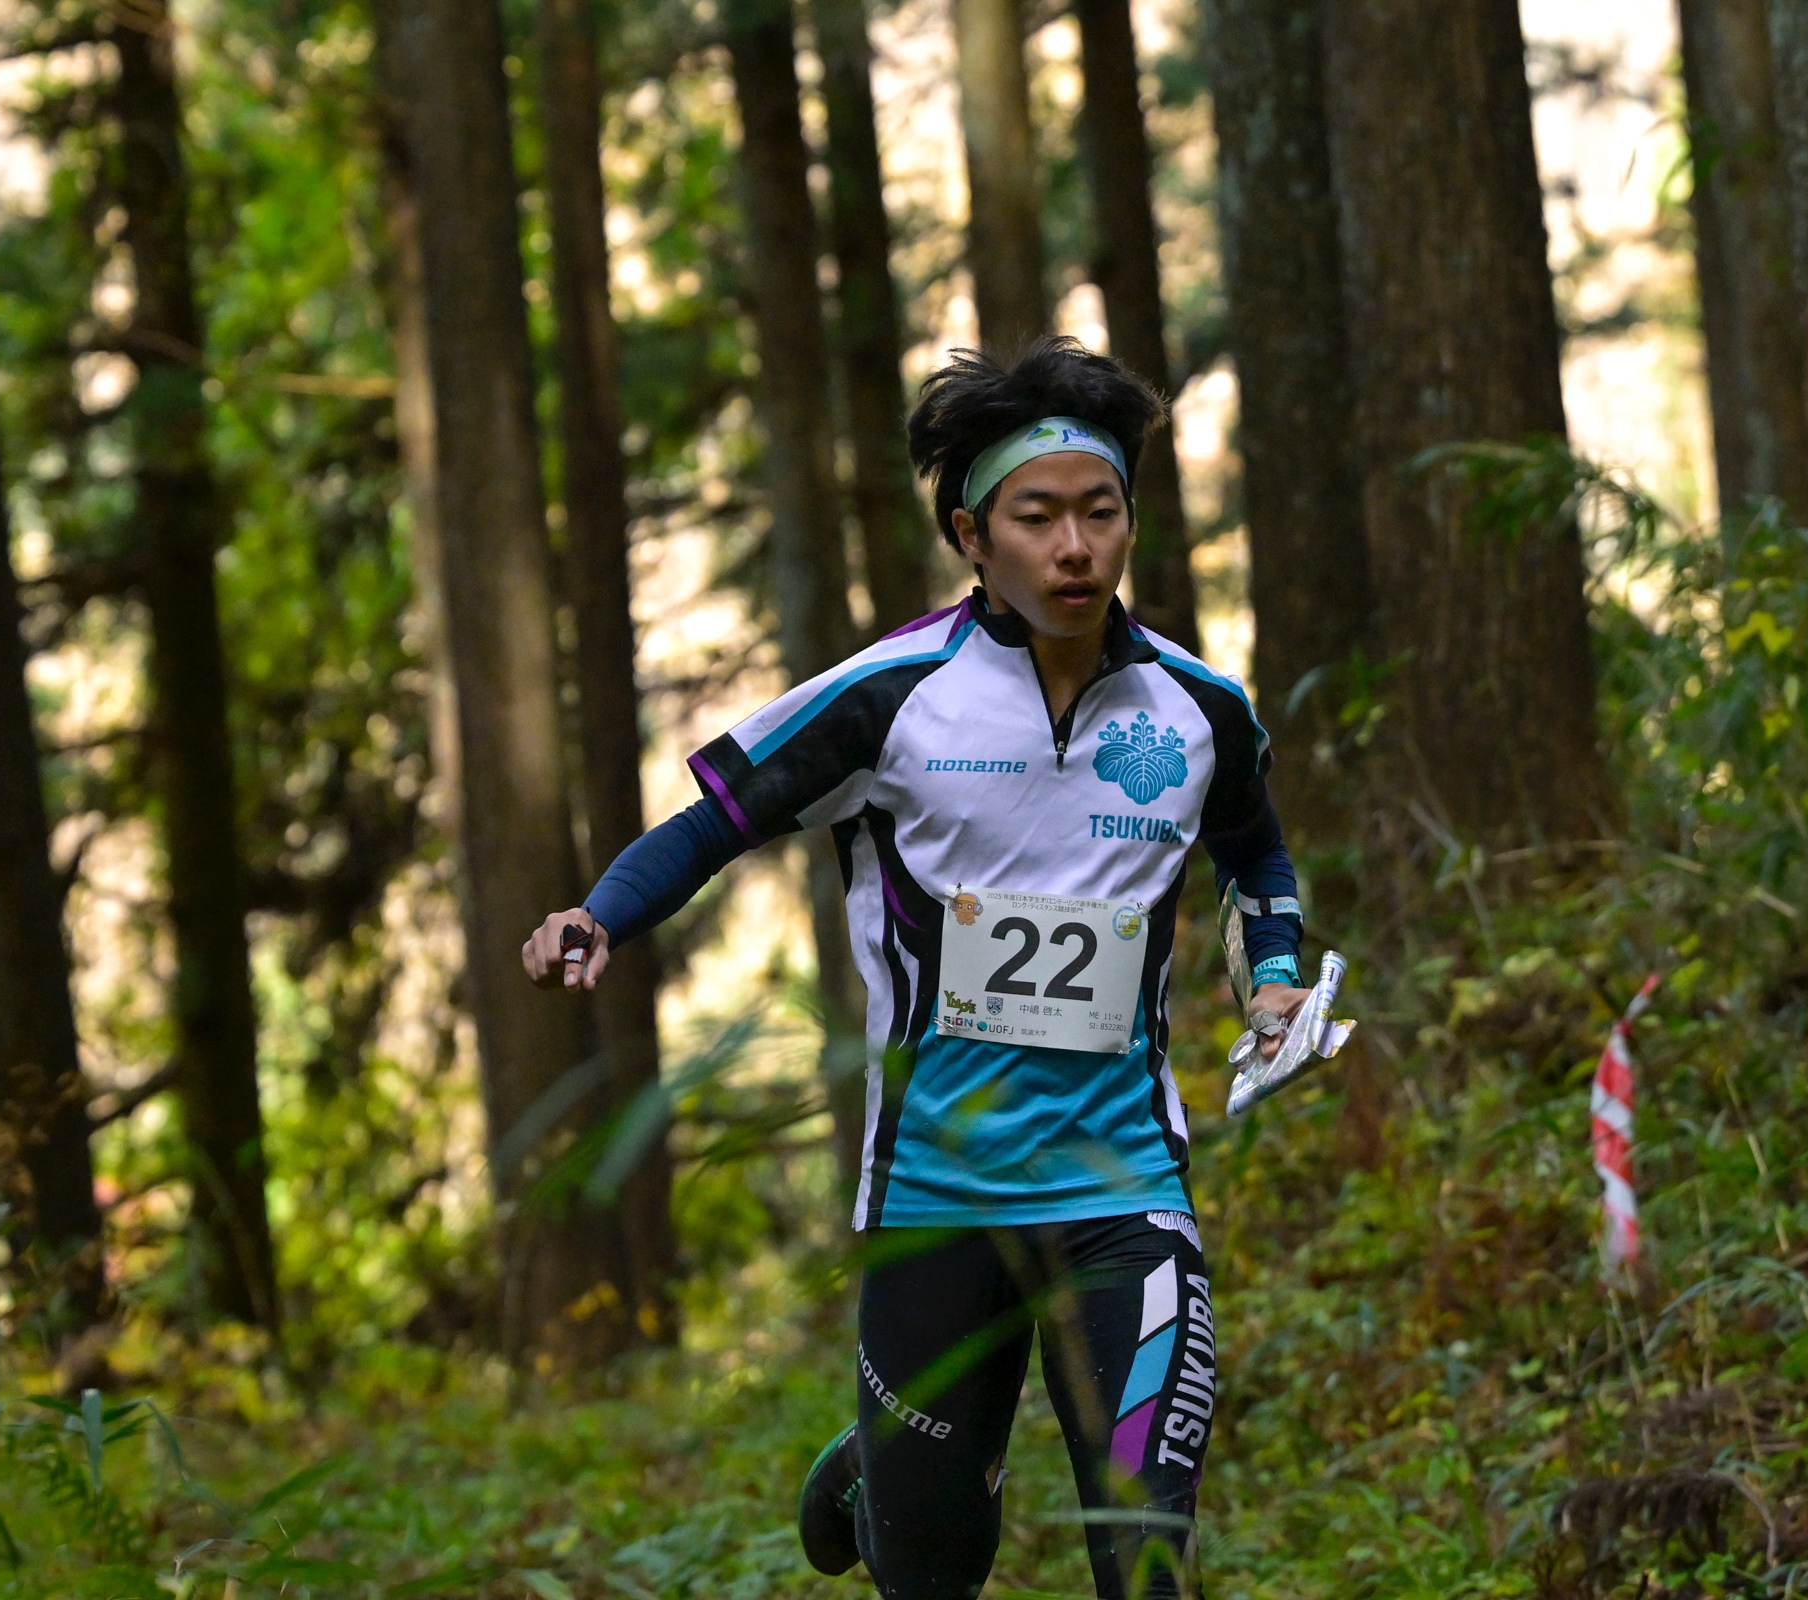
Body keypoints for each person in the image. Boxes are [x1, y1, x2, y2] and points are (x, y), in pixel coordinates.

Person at [520, 337, 1309, 1600]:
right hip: (937, 1195)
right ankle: (877, 1476)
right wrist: (600, 912)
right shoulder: (891, 695)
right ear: (971, 535)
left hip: (1127, 1191)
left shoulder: (1199, 708)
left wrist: (1274, 969)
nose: (1075, 548)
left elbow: (1254, 850)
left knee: (1146, 1549)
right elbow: (717, 822)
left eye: (1100, 513)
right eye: (1037, 518)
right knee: (929, 1569)